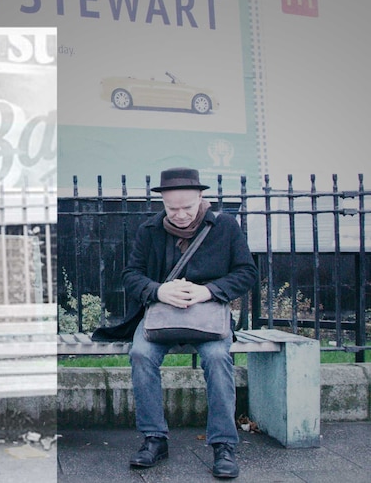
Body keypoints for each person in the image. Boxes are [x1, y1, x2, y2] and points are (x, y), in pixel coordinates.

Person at [92, 167, 257, 479]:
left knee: (218, 357)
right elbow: (131, 275)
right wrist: (159, 290)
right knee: (140, 355)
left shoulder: (225, 227)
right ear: (162, 203)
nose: (180, 215)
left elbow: (247, 272)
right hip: (160, 315)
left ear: (201, 198)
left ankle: (223, 444)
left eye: (187, 207)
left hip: (208, 315)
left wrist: (207, 291)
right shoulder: (149, 229)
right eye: (172, 208)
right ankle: (154, 439)